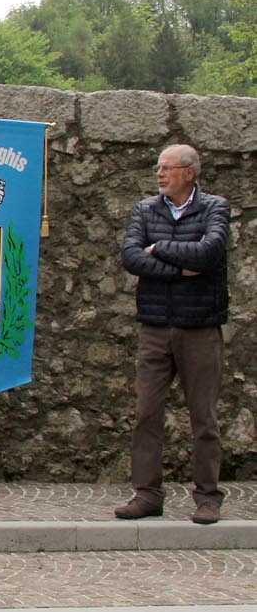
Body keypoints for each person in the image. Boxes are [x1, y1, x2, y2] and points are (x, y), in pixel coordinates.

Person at [114, 144, 230, 525]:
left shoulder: (215, 208)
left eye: (167, 168)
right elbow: (131, 256)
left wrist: (160, 248)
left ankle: (208, 497)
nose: (159, 174)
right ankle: (147, 494)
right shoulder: (145, 209)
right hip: (155, 326)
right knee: (146, 413)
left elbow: (209, 254)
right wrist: (179, 270)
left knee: (204, 418)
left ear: (189, 173)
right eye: (158, 168)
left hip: (200, 327)